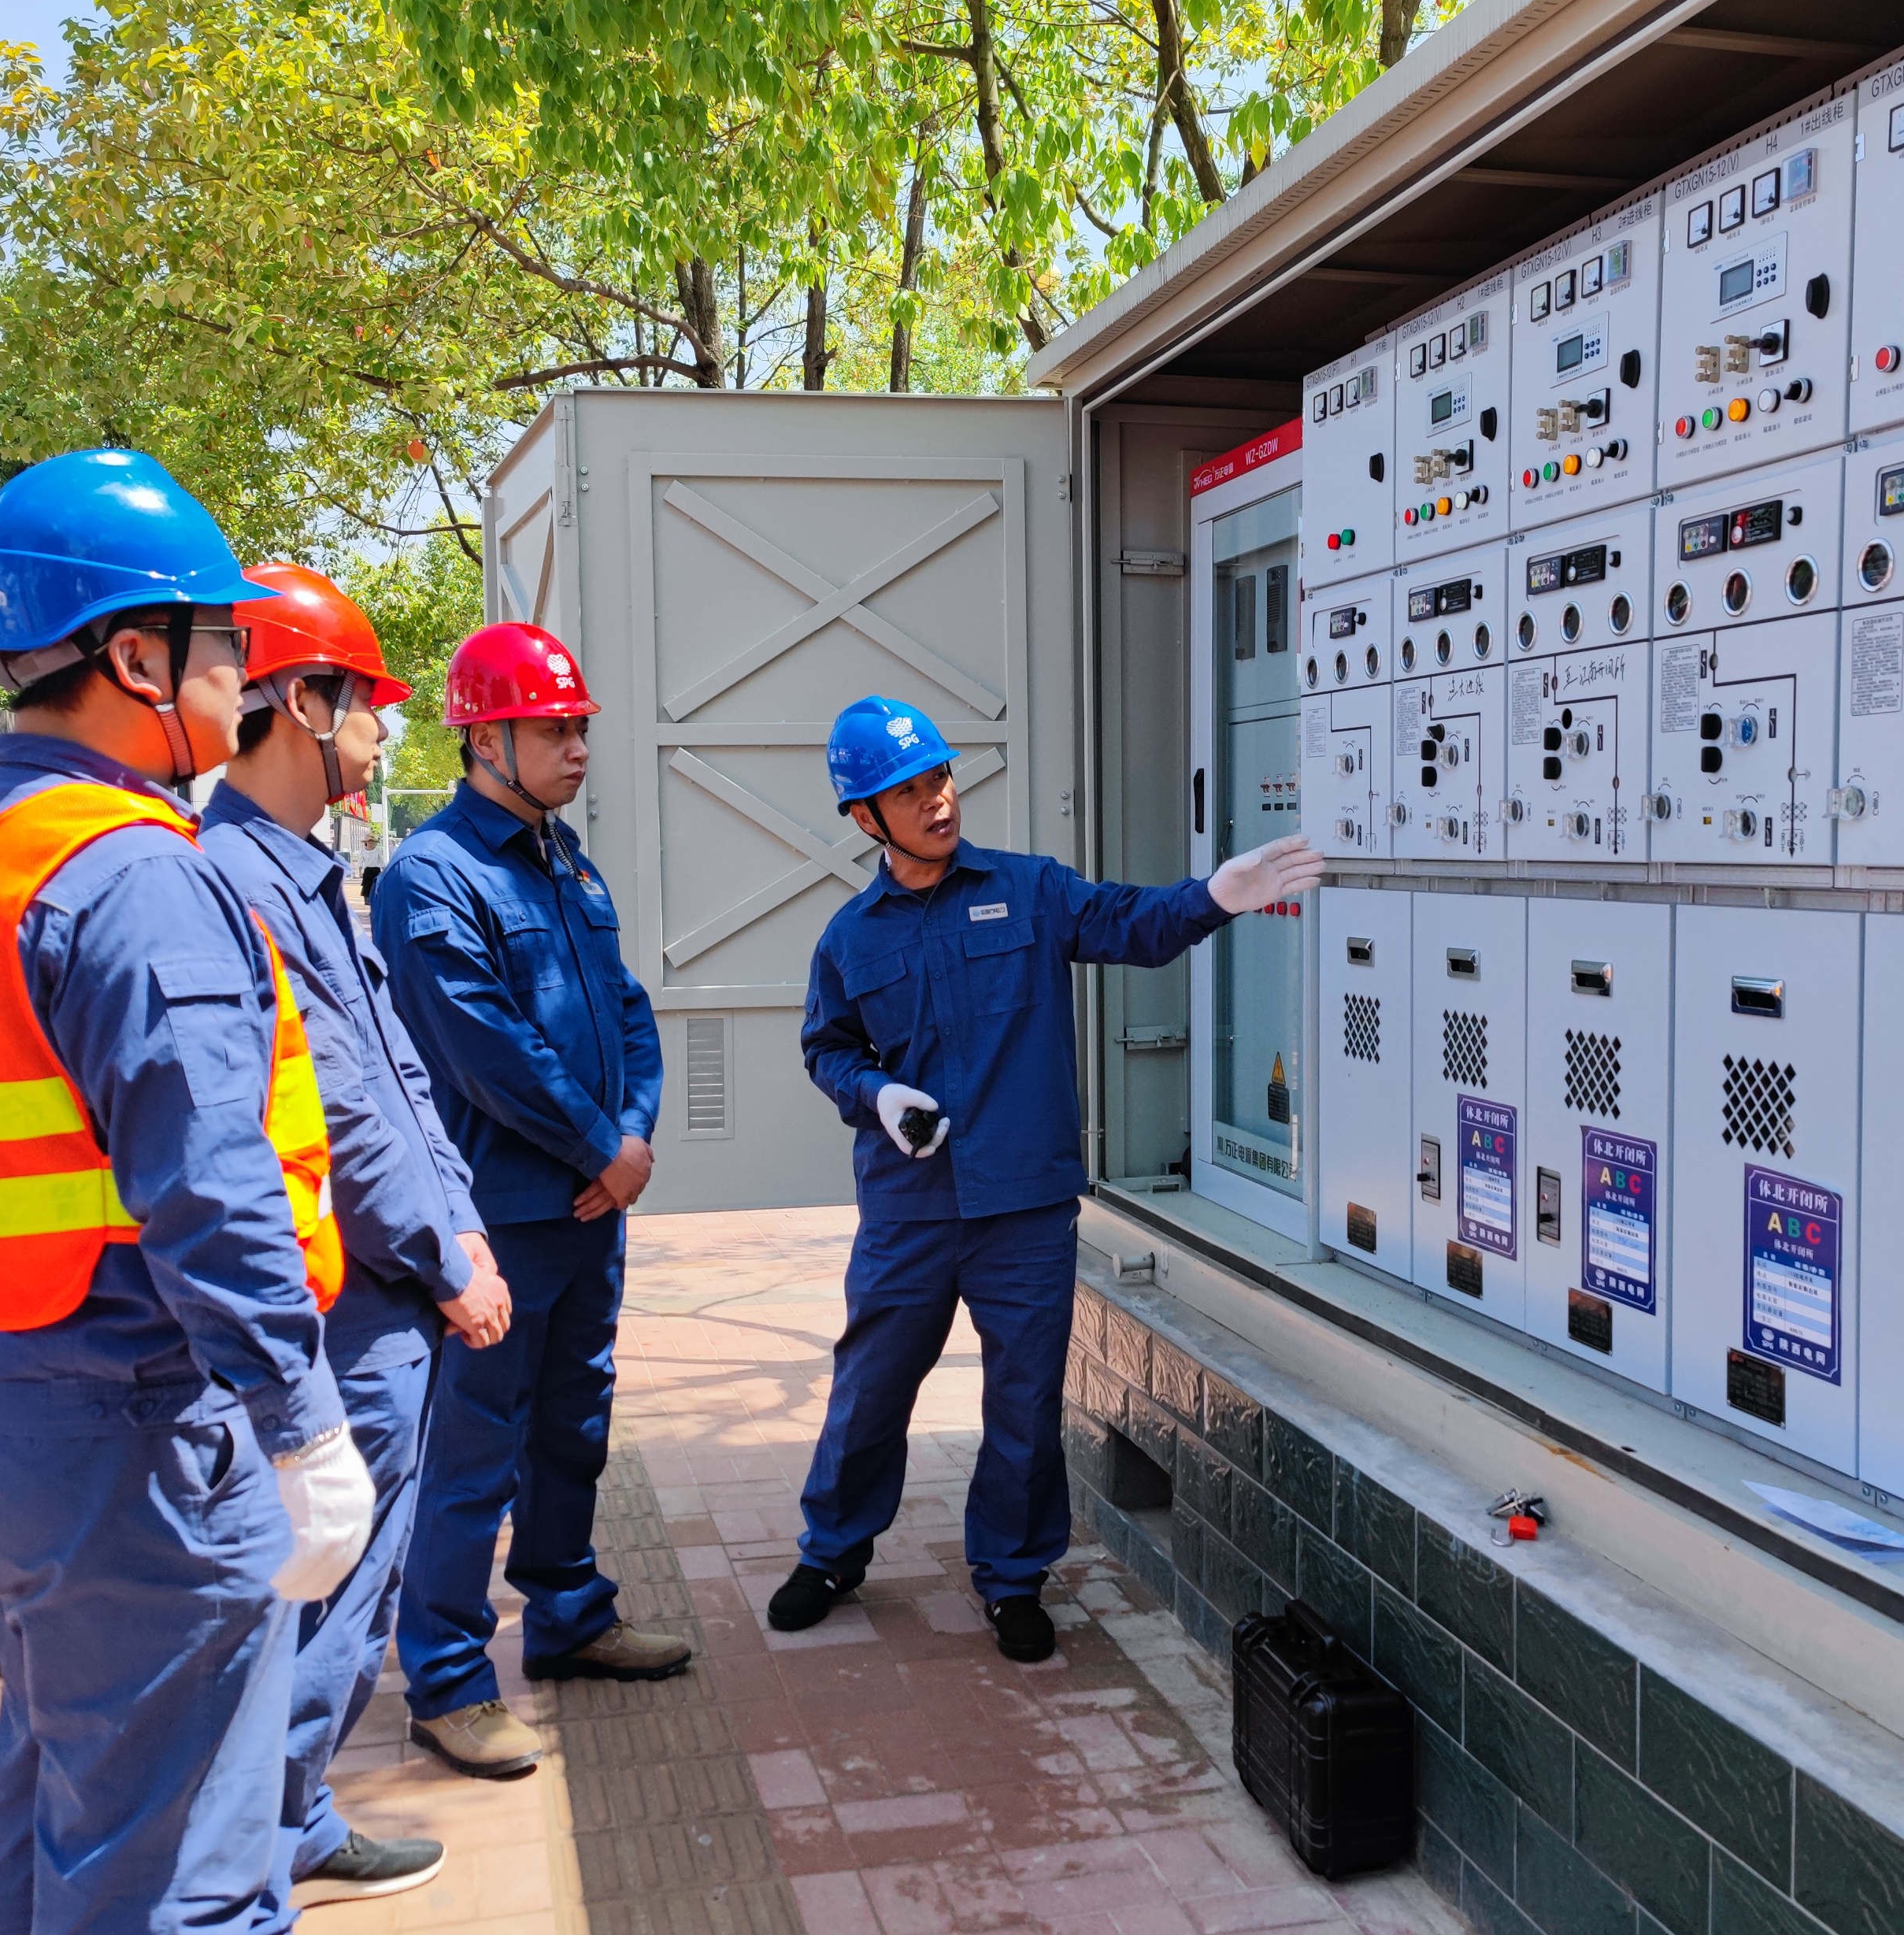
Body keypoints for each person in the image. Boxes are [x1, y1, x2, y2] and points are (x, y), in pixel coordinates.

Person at [0, 449, 375, 1935]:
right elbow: (211, 1185)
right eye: (223, 650)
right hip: (135, 1427)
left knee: (55, 1817)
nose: (244, 686)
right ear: (133, 660)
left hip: (9, 1407)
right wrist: (309, 1428)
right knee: (165, 1867)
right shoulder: (132, 873)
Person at [770, 696, 1324, 1662]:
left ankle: (1013, 1577)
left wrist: (1215, 896)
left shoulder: (1030, 890)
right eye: (909, 791)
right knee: (871, 1387)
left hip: (1023, 1205)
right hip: (911, 1210)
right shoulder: (850, 938)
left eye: (940, 778)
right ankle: (832, 1553)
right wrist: (877, 1093)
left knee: (1023, 1400)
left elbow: (1133, 925)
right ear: (865, 817)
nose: (937, 801)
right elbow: (827, 1048)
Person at [195, 564, 514, 1935]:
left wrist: (457, 1225)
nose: (381, 734)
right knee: (306, 1620)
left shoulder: (314, 872)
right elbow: (336, 1114)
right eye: (363, 703)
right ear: (294, 704)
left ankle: (306, 1822)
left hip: (396, 1292)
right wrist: (448, 1254)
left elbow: (398, 1083)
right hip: (347, 1313)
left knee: (360, 1598)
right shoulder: (238, 882)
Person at [373, 620, 687, 1780]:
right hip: (503, 1218)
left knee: (574, 1428)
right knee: (473, 1450)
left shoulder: (565, 861)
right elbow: (483, 1050)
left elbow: (629, 1008)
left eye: (579, 726)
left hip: (590, 1210)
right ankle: (449, 1682)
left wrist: (633, 1134)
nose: (576, 745)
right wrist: (603, 1144)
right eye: (553, 727)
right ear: (484, 735)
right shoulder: (431, 877)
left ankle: (567, 1615)